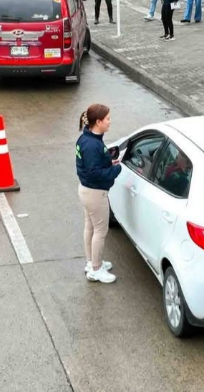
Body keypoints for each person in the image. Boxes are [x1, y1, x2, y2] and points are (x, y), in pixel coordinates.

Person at [75, 104, 121, 284]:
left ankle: (92, 262)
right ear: (98, 121)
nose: (110, 122)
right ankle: (96, 269)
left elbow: (90, 167)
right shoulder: (92, 145)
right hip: (95, 193)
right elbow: (94, 173)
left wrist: (109, 161)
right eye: (108, 119)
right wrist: (116, 170)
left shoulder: (86, 139)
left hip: (86, 190)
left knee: (90, 227)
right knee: (100, 230)